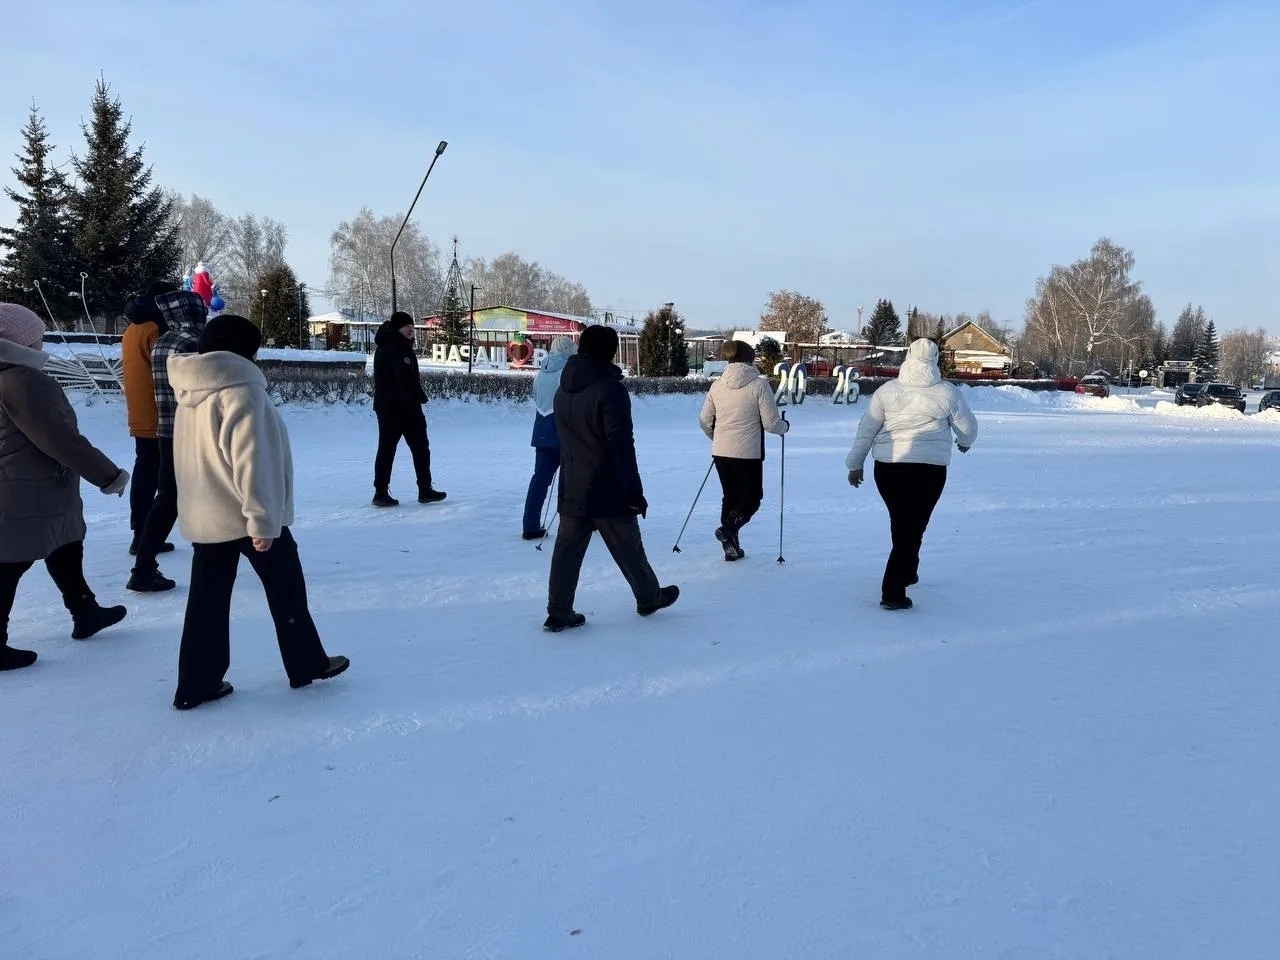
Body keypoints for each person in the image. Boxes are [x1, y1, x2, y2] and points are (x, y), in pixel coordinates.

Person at [167, 314, 348, 710]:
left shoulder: (188, 389)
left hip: (207, 515)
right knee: (286, 591)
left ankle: (196, 683)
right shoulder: (242, 392)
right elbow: (255, 463)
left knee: (206, 603)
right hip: (249, 516)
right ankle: (306, 664)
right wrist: (262, 520)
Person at [0, 303, 130, 671]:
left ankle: (85, 610)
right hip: (25, 488)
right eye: (37, 338)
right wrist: (108, 476)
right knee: (11, 562)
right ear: (21, 343)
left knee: (65, 544)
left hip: (28, 486)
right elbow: (60, 439)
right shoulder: (21, 380)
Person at [545, 324, 678, 632]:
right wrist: (633, 491)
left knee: (567, 549)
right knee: (628, 546)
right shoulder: (610, 388)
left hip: (574, 483)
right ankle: (649, 598)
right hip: (607, 484)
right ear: (610, 351)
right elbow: (620, 443)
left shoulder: (563, 387)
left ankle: (558, 610)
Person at [845, 338, 978, 610]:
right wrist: (964, 443)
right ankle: (893, 590)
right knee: (915, 524)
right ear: (936, 359)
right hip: (929, 470)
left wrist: (855, 463)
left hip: (889, 467)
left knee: (904, 523)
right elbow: (968, 427)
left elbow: (866, 429)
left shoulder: (887, 391)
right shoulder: (947, 393)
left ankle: (906, 570)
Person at [128, 289, 207, 592]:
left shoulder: (163, 341)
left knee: (168, 498)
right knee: (220, 492)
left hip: (167, 431)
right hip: (194, 431)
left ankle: (143, 566)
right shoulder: (194, 344)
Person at [698, 339, 789, 561]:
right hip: (748, 454)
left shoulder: (717, 385)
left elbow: (704, 420)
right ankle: (728, 530)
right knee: (752, 498)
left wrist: (717, 437)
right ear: (751, 360)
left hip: (721, 451)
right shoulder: (759, 384)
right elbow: (770, 423)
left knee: (730, 496)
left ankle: (732, 548)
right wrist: (784, 427)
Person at [121, 280, 177, 558]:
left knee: (146, 472)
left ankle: (141, 532)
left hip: (140, 411)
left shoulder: (133, 327)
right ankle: (147, 536)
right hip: (160, 413)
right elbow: (166, 371)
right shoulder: (156, 328)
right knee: (162, 477)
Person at [371, 312, 446, 507]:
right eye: (406, 326)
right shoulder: (396, 348)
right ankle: (387, 492)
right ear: (397, 328)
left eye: (411, 326)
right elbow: (400, 381)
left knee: (401, 449)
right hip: (399, 409)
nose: (410, 329)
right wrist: (412, 402)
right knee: (408, 449)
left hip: (392, 406)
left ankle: (421, 489)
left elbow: (406, 379)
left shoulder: (392, 345)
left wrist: (418, 394)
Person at [522, 335, 576, 539]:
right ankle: (578, 523)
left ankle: (530, 524)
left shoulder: (541, 372)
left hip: (542, 431)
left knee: (540, 479)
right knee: (574, 480)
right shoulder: (568, 372)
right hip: (566, 432)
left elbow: (535, 395)